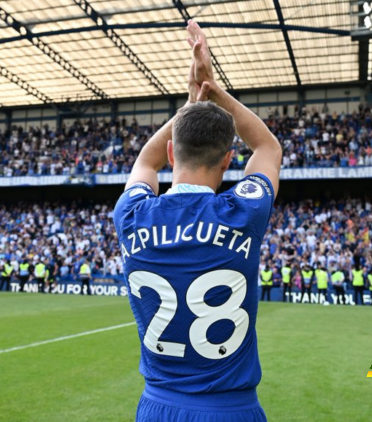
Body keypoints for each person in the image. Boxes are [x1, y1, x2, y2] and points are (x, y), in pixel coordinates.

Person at [113, 21, 280, 422]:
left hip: (157, 407)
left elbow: (144, 162)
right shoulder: (242, 213)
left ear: (172, 153)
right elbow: (267, 146)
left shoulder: (131, 215)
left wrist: (192, 101)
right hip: (231, 409)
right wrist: (214, 90)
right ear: (228, 161)